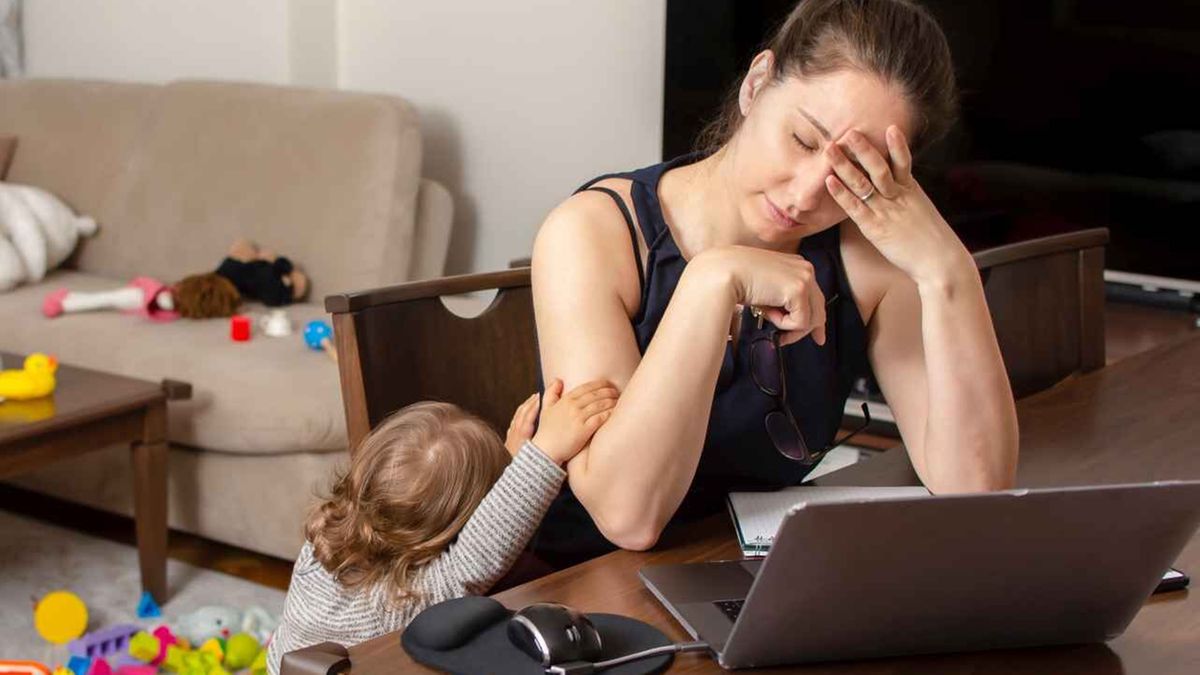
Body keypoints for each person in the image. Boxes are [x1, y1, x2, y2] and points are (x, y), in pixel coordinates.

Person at [528, 0, 1019, 568]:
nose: (807, 194)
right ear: (757, 84)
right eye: (804, 142)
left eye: (854, 171)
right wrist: (713, 281)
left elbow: (975, 492)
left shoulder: (864, 258)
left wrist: (946, 271)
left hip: (757, 581)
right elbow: (627, 515)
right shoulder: (594, 233)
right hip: (581, 592)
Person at [266, 378, 619, 672]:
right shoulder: (400, 601)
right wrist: (545, 452)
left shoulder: (321, 544)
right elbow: (481, 551)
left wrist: (510, 463)